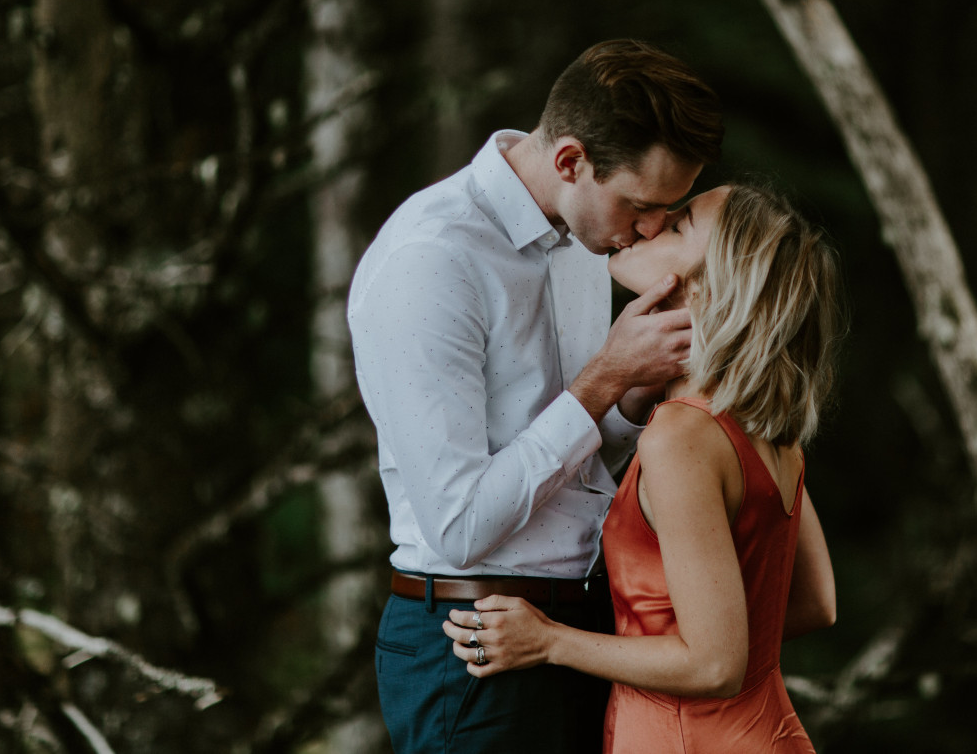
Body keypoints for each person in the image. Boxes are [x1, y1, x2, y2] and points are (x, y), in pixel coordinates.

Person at [346, 39, 724, 754]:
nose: (647, 230)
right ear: (571, 162)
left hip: (577, 634)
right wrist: (606, 376)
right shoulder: (433, 259)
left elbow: (569, 462)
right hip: (475, 649)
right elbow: (461, 522)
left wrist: (633, 395)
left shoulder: (582, 238)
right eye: (641, 205)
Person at [443, 183, 842, 753]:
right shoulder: (767, 426)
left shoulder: (681, 436)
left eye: (677, 226)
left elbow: (714, 666)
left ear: (707, 292)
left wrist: (550, 640)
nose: (652, 224)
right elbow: (811, 603)